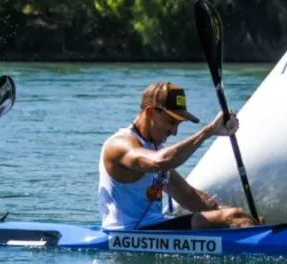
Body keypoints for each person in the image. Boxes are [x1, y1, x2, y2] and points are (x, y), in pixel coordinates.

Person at [98, 82, 258, 231]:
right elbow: (160, 162)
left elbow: (189, 197)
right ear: (150, 112)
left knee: (237, 216)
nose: (174, 132)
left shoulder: (154, 150)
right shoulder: (118, 145)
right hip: (127, 233)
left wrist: (241, 218)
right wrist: (208, 132)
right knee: (233, 217)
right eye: (171, 122)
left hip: (156, 228)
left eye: (178, 125)